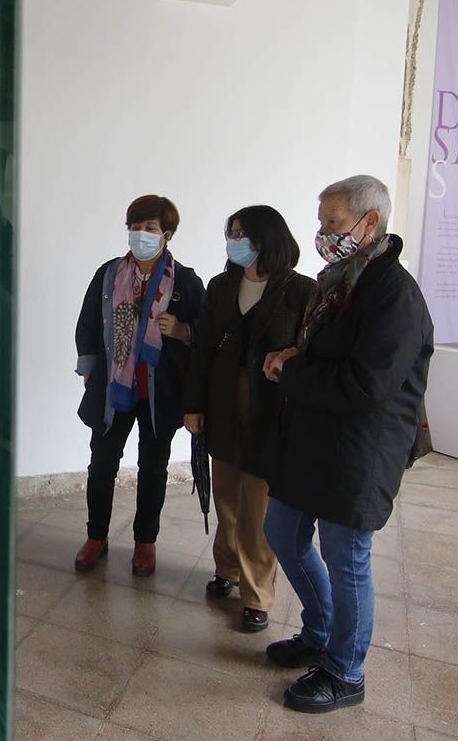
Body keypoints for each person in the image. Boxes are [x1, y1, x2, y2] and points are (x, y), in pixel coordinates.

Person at [260, 175, 433, 713]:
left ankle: (345, 670)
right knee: (282, 532)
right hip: (315, 437)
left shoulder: (395, 294)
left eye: (332, 223)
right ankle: (318, 634)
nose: (323, 233)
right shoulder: (340, 279)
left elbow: (365, 384)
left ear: (369, 222)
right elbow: (327, 350)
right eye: (322, 222)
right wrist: (292, 356)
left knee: (346, 557)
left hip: (361, 449)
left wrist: (290, 375)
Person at [182, 206, 314, 632]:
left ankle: (257, 594)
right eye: (231, 233)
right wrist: (193, 405)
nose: (233, 240)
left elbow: (305, 355)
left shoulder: (300, 291)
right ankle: (228, 569)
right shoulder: (221, 286)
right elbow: (202, 351)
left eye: (241, 233)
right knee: (226, 496)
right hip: (222, 405)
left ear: (265, 238)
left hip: (269, 413)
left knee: (257, 506)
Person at [74, 195, 206, 576]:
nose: (140, 235)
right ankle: (96, 536)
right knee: (101, 465)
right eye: (134, 228)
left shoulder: (185, 282)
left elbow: (206, 333)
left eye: (149, 229)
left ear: (167, 234)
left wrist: (181, 329)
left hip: (158, 394)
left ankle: (145, 542)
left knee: (153, 468)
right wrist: (90, 371)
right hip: (114, 392)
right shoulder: (109, 274)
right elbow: (87, 324)